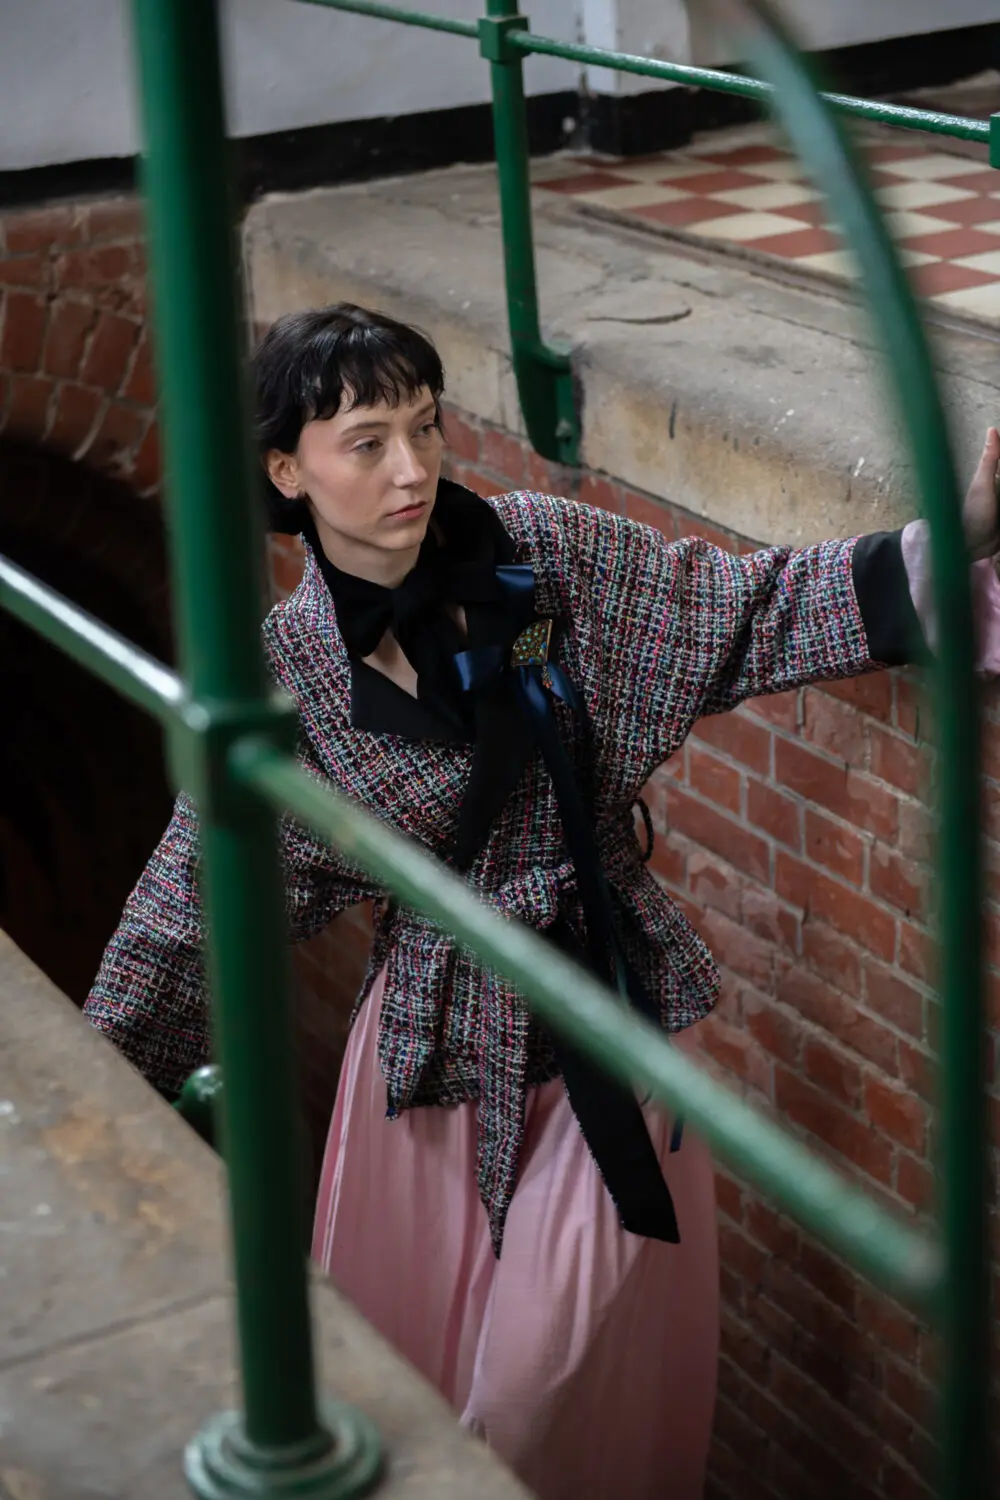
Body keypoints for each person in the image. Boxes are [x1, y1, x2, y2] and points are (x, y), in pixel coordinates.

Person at [84, 303, 1000, 1500]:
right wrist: (85, 1102)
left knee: (538, 1390)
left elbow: (752, 607)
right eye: (367, 442)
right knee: (404, 1384)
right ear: (286, 471)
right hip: (428, 1063)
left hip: (608, 1023)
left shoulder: (549, 556)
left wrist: (957, 537)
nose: (412, 468)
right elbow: (189, 918)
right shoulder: (284, 681)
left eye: (425, 426)